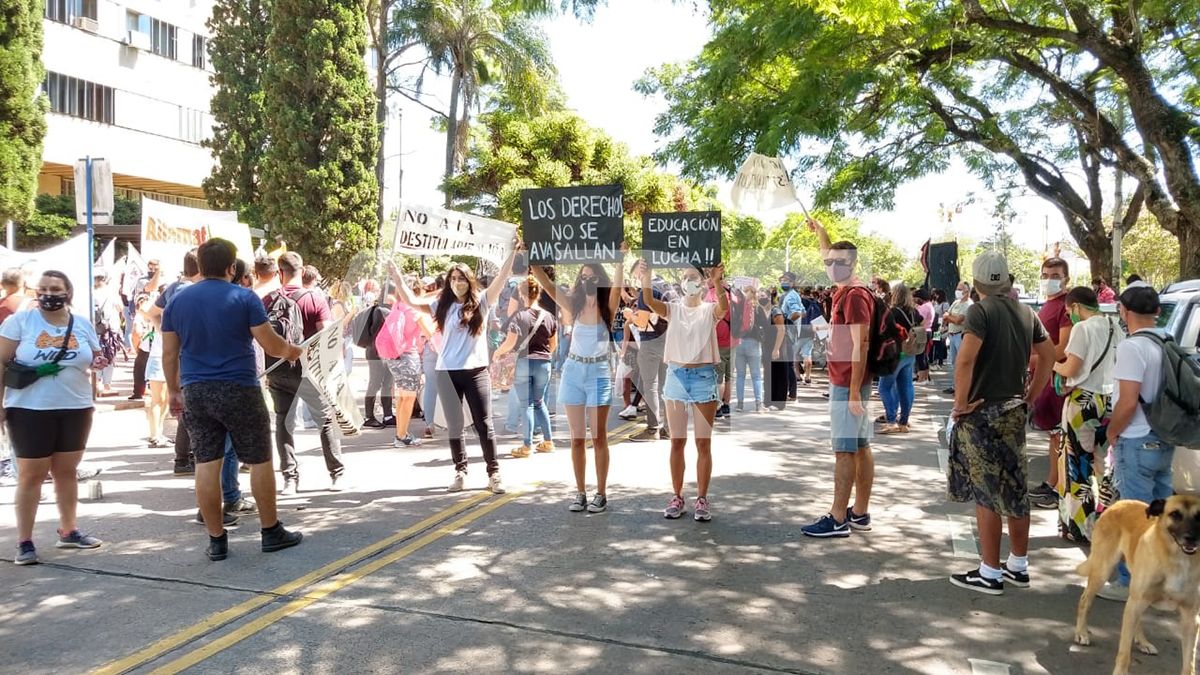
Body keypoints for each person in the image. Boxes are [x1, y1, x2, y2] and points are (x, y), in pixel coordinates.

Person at [162, 238, 304, 561]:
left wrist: (174, 389)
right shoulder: (244, 297)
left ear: (199, 266)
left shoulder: (177, 303)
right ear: (231, 268)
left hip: (196, 390)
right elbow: (269, 344)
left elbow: (169, 353)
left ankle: (216, 539)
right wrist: (291, 351)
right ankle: (270, 531)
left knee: (206, 463)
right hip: (239, 387)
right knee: (259, 459)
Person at [946, 252, 1055, 595]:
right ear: (1006, 280)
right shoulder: (1026, 312)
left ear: (976, 283)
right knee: (1015, 487)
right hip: (1012, 409)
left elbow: (965, 361)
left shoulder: (980, 311)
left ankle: (989, 571)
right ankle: (1018, 564)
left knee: (987, 493)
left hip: (982, 412)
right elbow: (1049, 355)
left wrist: (961, 404)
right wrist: (1031, 396)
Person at [390, 246, 520, 495]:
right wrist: (397, 277)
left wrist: (511, 254)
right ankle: (460, 471)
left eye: (461, 278)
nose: (456, 282)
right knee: (455, 425)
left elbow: (502, 279)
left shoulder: (482, 301)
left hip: (476, 370)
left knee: (484, 424)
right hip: (447, 371)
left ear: (469, 281)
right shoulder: (442, 304)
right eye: (453, 278)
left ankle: (493, 473)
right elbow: (412, 301)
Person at [0, 271, 107, 565]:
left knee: (66, 471)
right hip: (29, 409)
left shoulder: (82, 323)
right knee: (31, 474)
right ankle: (24, 541)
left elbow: (94, 356)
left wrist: (98, 361)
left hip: (75, 406)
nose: (49, 294)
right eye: (44, 289)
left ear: (67, 292)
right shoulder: (20, 322)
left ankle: (69, 530)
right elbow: (1, 361)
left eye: (55, 289)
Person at [531, 246, 626, 512]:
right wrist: (530, 257)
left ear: (600, 279)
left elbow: (617, 289)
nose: (587, 281)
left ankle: (601, 493)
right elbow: (547, 284)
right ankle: (580, 491)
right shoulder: (572, 303)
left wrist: (619, 260)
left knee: (598, 436)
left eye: (592, 276)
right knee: (576, 438)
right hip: (573, 371)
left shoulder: (607, 305)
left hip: (598, 373)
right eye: (583, 276)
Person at [801, 218, 877, 538]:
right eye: (830, 262)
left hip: (849, 382)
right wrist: (820, 231)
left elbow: (862, 343)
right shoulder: (845, 289)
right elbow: (826, 252)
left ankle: (837, 518)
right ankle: (858, 512)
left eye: (839, 262)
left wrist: (855, 391)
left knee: (844, 449)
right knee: (859, 446)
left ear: (852, 264)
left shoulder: (855, 295)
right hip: (850, 381)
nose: (832, 266)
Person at [1096, 283, 1172, 601]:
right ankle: (1161, 578)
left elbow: (1127, 403)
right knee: (1162, 517)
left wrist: (1112, 433)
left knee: (1135, 518)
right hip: (1164, 437)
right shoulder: (1167, 340)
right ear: (1156, 311)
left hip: (1136, 439)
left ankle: (1130, 582)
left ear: (1124, 311)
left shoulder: (1132, 347)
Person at [640, 262, 727, 522]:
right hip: (676, 377)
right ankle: (677, 496)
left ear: (702, 282)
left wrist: (718, 281)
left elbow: (724, 308)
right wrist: (645, 278)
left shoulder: (710, 310)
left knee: (703, 442)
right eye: (685, 277)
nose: (689, 281)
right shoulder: (673, 309)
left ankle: (702, 498)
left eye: (694, 277)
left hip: (703, 378)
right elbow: (648, 301)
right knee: (677, 441)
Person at [265, 252, 345, 494]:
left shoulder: (267, 300)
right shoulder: (315, 299)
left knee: (283, 421)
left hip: (278, 369)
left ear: (280, 273)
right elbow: (328, 337)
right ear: (302, 271)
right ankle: (336, 473)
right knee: (325, 420)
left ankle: (290, 478)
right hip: (309, 370)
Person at [1052, 286, 1121, 543]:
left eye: (1070, 310)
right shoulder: (1114, 326)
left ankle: (1081, 528)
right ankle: (1109, 524)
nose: (1071, 315)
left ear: (1076, 307)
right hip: (1108, 400)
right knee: (1103, 464)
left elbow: (1072, 367)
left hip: (1083, 401)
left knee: (1078, 467)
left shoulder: (1082, 328)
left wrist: (1051, 363)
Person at [148, 249, 202, 475]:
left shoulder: (173, 287)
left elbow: (151, 312)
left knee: (185, 407)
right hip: (192, 355)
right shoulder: (197, 292)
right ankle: (187, 457)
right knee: (192, 409)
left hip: (175, 352)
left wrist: (164, 332)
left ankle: (182, 459)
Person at [492, 275, 557, 457]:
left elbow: (510, 343)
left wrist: (497, 353)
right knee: (539, 402)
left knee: (526, 404)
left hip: (523, 362)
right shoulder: (549, 316)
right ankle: (548, 441)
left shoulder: (518, 316)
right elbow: (554, 344)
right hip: (544, 363)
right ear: (539, 293)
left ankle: (527, 445)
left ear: (521, 294)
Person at [1028, 257, 1073, 510]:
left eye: (1055, 275)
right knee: (1053, 437)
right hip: (1046, 378)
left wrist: (1038, 360)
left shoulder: (1065, 307)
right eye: (1045, 275)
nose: (1049, 280)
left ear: (1065, 278)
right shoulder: (1048, 305)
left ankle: (1058, 489)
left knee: (1059, 437)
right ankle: (1051, 482)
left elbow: (1063, 347)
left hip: (1059, 381)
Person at [625, 258, 671, 442]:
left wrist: (630, 316)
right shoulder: (666, 286)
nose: (636, 279)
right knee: (665, 387)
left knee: (649, 385)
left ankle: (653, 428)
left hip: (651, 341)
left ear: (641, 271)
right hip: (669, 341)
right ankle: (668, 427)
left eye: (636, 275)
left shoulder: (648, 290)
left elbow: (643, 321)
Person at [377, 278, 427, 448]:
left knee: (401, 398)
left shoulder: (398, 306)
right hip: (408, 356)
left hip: (394, 357)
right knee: (409, 398)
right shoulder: (414, 311)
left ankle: (401, 433)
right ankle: (401, 436)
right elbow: (429, 331)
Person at [878, 282, 920, 434]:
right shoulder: (914, 312)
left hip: (895, 354)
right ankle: (904, 421)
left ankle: (891, 420)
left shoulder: (893, 312)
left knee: (884, 387)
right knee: (906, 386)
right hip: (910, 353)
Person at [733, 281, 766, 412]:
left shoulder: (738, 306)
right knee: (756, 376)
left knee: (740, 375)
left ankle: (740, 404)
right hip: (753, 343)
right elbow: (765, 325)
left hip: (739, 342)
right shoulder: (758, 308)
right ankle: (759, 404)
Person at [92, 271, 123, 396]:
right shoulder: (112, 293)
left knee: (96, 354)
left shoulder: (90, 293)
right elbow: (120, 308)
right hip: (111, 329)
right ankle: (107, 385)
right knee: (110, 355)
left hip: (95, 329)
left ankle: (97, 383)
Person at [941, 281, 973, 395]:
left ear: (967, 291)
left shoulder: (969, 304)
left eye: (960, 289)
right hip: (952, 335)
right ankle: (955, 385)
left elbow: (958, 320)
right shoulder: (956, 302)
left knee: (962, 363)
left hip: (960, 335)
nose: (957, 291)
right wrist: (950, 317)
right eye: (957, 288)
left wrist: (949, 317)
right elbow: (945, 316)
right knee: (954, 362)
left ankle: (963, 388)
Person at [765, 288, 792, 411]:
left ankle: (779, 403)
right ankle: (769, 401)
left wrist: (776, 349)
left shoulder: (776, 311)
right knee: (770, 374)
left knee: (779, 374)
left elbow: (781, 330)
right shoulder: (765, 310)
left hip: (778, 346)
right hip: (768, 346)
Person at [913, 289, 935, 382]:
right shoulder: (930, 305)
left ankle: (921, 377)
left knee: (920, 355)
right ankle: (925, 376)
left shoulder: (924, 307)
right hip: (928, 331)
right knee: (924, 355)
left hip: (922, 331)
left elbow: (918, 319)